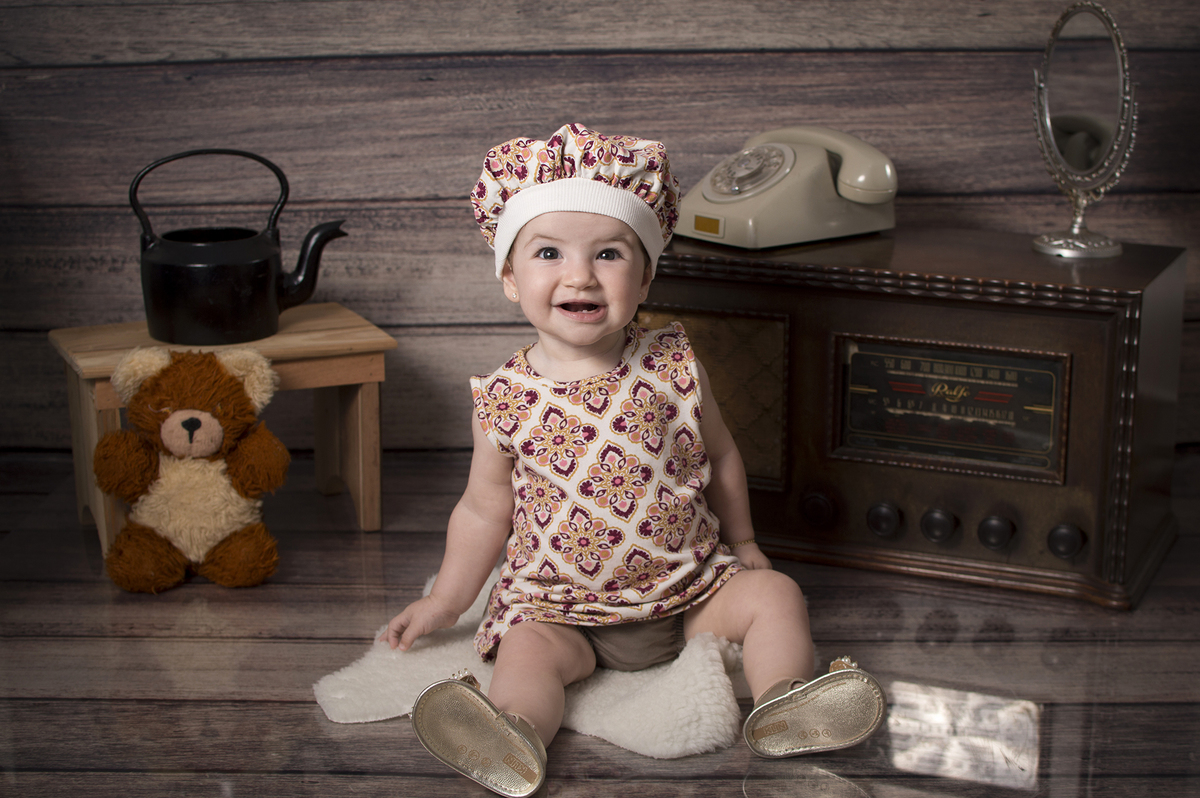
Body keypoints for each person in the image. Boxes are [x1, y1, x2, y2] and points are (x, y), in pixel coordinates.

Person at [382, 123, 885, 797]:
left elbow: (724, 455)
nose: (580, 275)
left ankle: (787, 701)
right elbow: (482, 509)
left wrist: (745, 543)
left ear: (646, 274)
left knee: (776, 596)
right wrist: (447, 600)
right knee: (527, 651)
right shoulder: (504, 398)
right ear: (509, 276)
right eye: (549, 252)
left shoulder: (672, 364)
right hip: (564, 610)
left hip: (690, 593)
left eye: (610, 254)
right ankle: (514, 732)